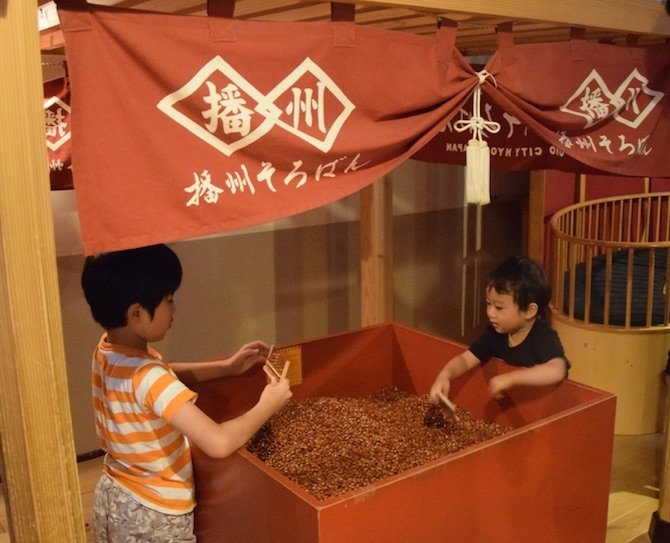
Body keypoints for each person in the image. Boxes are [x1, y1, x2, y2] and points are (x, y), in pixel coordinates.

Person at [80, 243, 292, 543]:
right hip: (155, 516)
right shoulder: (149, 377)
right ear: (137, 313)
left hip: (117, 496)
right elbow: (218, 442)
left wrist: (226, 367)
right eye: (169, 301)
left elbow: (163, 375)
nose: (174, 309)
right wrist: (267, 404)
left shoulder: (108, 351)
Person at [429, 255, 569, 404]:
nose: (490, 313)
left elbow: (557, 370)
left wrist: (511, 378)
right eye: (488, 304)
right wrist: (445, 375)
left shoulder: (543, 336)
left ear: (529, 311)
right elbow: (465, 359)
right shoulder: (495, 335)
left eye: (499, 307)